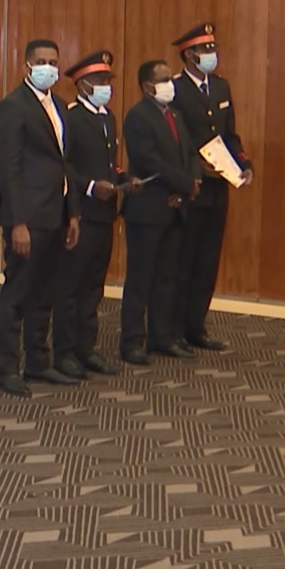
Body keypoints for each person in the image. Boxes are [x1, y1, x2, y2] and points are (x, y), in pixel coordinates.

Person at [0, 38, 80, 396]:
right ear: (27, 65)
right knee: (18, 294)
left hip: (56, 214)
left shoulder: (60, 105)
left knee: (45, 293)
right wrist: (18, 222)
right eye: (41, 61)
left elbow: (67, 163)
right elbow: (9, 168)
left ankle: (39, 363)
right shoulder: (12, 106)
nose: (49, 67)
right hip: (27, 218)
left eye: (53, 61)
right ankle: (8, 368)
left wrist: (73, 213)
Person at [169, 22, 251, 352]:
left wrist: (244, 163)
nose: (211, 54)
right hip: (191, 186)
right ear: (189, 54)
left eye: (213, 47)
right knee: (183, 260)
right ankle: (173, 330)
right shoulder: (174, 89)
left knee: (207, 260)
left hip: (219, 187)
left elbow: (229, 134)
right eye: (205, 49)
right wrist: (194, 167)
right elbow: (173, 139)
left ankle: (196, 327)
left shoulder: (220, 87)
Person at [52, 50, 134, 380]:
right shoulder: (71, 118)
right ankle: (65, 352)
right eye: (100, 80)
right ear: (83, 83)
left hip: (104, 214)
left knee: (93, 287)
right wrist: (89, 187)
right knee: (71, 287)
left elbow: (108, 164)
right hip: (81, 213)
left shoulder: (107, 118)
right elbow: (66, 167)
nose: (106, 86)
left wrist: (123, 180)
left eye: (108, 80)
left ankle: (86, 349)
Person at [122, 59, 201, 363]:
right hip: (148, 209)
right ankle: (132, 341)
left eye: (170, 78)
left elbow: (189, 153)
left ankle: (161, 337)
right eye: (164, 79)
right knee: (140, 279)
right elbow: (149, 160)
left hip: (175, 206)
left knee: (167, 277)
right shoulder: (137, 117)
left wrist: (191, 183)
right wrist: (185, 184)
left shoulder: (175, 115)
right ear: (147, 86)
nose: (171, 84)